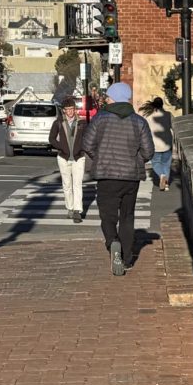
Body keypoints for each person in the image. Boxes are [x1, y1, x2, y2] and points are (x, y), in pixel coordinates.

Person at [82, 81, 154, 276]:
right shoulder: (139, 121)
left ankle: (113, 242)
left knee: (108, 216)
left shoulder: (100, 119)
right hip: (131, 176)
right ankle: (128, 258)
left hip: (107, 175)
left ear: (112, 98)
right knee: (127, 216)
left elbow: (87, 144)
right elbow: (149, 151)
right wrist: (135, 159)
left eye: (108, 96)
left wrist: (100, 157)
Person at [48, 97, 88, 223]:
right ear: (64, 111)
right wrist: (62, 147)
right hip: (63, 157)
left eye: (72, 109)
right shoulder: (58, 122)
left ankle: (77, 211)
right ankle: (69, 208)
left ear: (75, 110)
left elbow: (87, 138)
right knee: (67, 184)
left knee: (77, 184)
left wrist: (82, 148)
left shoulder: (82, 123)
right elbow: (52, 139)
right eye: (67, 110)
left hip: (79, 157)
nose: (70, 112)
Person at [140, 97, 174, 191]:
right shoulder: (168, 114)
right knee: (166, 164)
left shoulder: (148, 116)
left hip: (154, 144)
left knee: (156, 163)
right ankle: (166, 184)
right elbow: (174, 127)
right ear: (162, 105)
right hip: (167, 143)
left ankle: (161, 175)